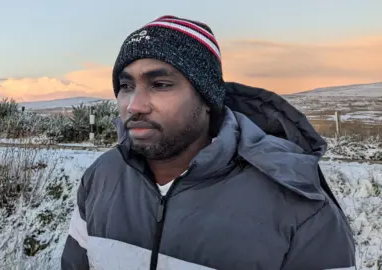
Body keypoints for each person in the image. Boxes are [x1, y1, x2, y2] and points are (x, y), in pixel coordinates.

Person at [61, 15, 356, 270]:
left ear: (207, 99)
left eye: (160, 85)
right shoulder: (101, 177)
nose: (135, 105)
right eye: (126, 86)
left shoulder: (298, 207)